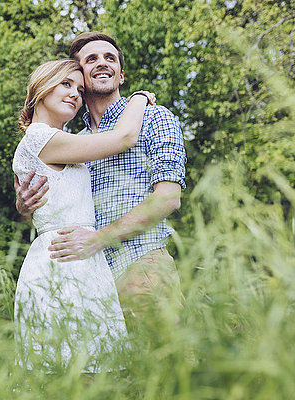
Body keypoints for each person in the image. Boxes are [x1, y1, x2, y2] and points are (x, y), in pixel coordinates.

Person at [14, 32, 187, 331]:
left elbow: (168, 198)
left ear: (121, 75)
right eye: (91, 59)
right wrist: (24, 205)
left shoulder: (154, 117)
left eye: (111, 58)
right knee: (111, 376)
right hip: (87, 281)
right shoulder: (73, 143)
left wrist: (99, 239)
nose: (102, 63)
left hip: (140, 266)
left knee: (170, 371)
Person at [12, 58, 155, 373]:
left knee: (93, 373)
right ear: (40, 88)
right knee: (73, 373)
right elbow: (123, 138)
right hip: (61, 262)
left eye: (79, 88)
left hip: (81, 256)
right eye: (66, 84)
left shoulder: (64, 140)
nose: (76, 94)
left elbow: (40, 203)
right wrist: (140, 98)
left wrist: (23, 209)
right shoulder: (39, 137)